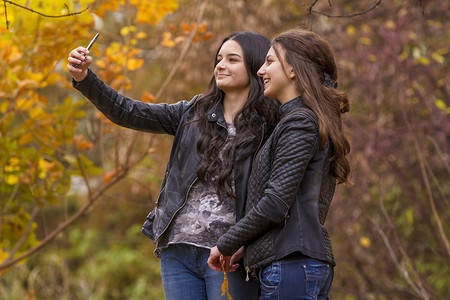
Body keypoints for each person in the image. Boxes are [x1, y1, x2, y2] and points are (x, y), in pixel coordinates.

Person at [67, 31, 279, 299]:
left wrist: (244, 242)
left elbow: (276, 196)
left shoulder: (270, 126)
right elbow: (127, 111)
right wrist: (84, 79)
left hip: (228, 254)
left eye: (232, 59)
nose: (220, 65)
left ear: (256, 66)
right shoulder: (192, 113)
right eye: (219, 58)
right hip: (177, 250)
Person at [208, 28, 351, 299]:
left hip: (292, 267)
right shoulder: (298, 122)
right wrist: (247, 245)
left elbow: (275, 204)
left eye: (270, 61)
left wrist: (227, 243)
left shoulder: (300, 123)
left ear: (294, 69)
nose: (261, 71)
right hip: (296, 266)